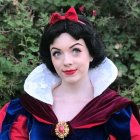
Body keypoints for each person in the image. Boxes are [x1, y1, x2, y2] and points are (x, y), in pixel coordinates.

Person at [0, 7, 140, 140]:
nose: (66, 61)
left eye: (76, 50)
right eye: (57, 53)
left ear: (91, 53)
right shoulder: (24, 109)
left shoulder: (113, 110)